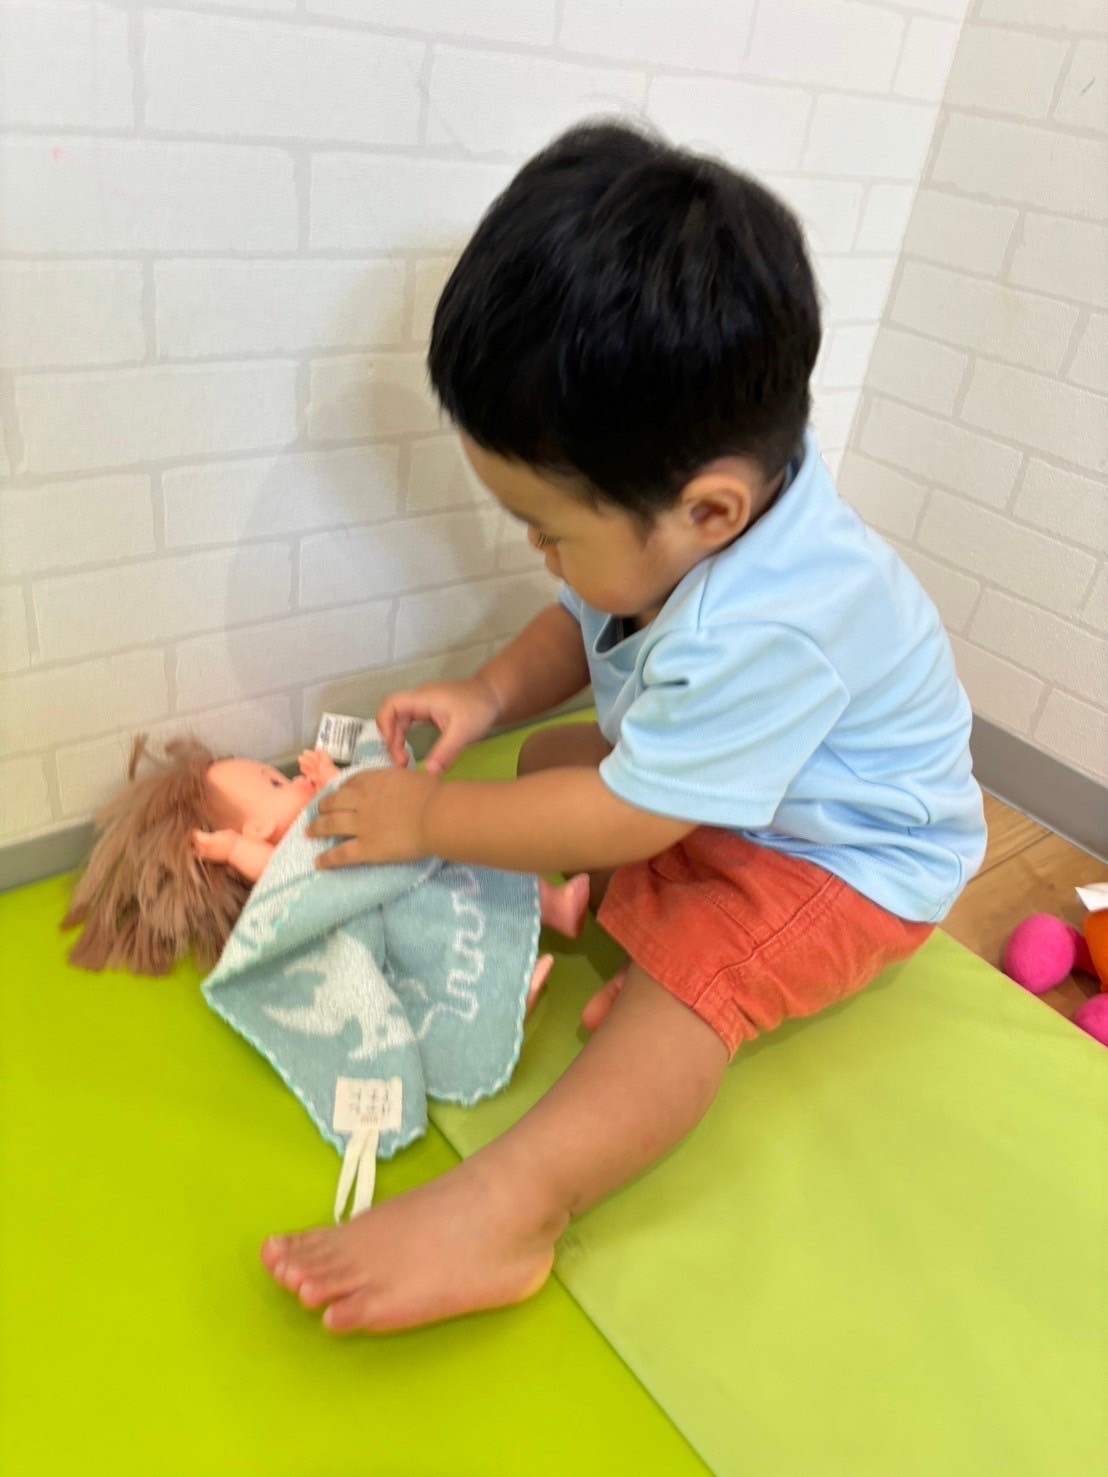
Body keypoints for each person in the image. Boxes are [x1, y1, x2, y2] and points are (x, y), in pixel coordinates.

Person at [261, 121, 987, 1334]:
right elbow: (582, 621)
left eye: (549, 530)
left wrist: (432, 816)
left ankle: (513, 1212)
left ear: (709, 511)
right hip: (753, 790)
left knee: (691, 983)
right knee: (549, 760)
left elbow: (629, 815)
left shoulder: (772, 623)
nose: (537, 552)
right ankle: (622, 921)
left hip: (852, 863)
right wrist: (488, 698)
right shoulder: (690, 520)